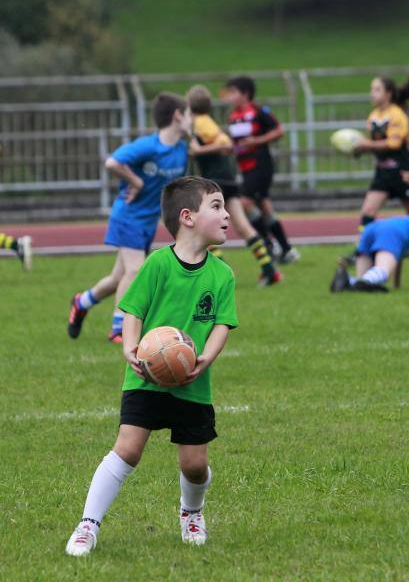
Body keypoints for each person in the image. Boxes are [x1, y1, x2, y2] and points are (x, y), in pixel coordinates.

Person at [65, 176, 238, 557]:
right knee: (127, 449)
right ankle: (87, 525)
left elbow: (222, 325)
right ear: (188, 217)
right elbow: (132, 310)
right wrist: (131, 349)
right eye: (217, 206)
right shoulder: (158, 263)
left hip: (192, 382)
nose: (227, 215)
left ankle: (192, 512)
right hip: (145, 378)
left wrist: (205, 358)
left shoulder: (222, 274)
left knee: (195, 466)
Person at [68, 93, 190, 343]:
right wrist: (136, 180)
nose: (193, 120)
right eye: (189, 115)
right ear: (178, 116)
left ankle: (82, 302)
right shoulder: (148, 145)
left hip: (147, 222)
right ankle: (118, 328)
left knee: (117, 278)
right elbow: (112, 162)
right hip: (128, 216)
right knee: (135, 270)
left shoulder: (182, 150)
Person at [186, 85, 281, 286]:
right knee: (243, 225)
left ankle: (220, 274)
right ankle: (270, 270)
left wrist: (197, 151)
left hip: (214, 181)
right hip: (227, 179)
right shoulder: (207, 121)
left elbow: (226, 144)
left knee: (201, 229)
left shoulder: (201, 123)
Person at [224, 75, 299, 264]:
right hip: (245, 167)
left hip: (261, 164)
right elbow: (237, 143)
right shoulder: (233, 116)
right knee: (265, 207)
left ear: (245, 94)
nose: (230, 96)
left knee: (245, 202)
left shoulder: (258, 111)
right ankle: (287, 249)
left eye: (233, 92)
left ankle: (267, 244)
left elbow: (279, 130)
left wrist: (257, 141)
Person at [330, 206, 409, 293]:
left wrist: (397, 286)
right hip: (391, 231)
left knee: (361, 283)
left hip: (372, 228)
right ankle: (361, 281)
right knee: (382, 271)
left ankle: (347, 281)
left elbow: (398, 257)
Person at [353, 75, 409, 234]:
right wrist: (357, 149)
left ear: (388, 94)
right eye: (371, 90)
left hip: (402, 172)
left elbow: (393, 144)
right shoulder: (374, 116)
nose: (372, 94)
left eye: (377, 90)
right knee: (368, 211)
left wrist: (366, 145)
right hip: (383, 172)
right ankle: (362, 250)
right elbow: (373, 144)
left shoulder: (397, 114)